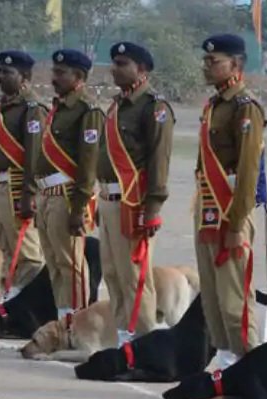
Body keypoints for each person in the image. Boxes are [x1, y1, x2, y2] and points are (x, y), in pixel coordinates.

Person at [195, 34, 266, 369]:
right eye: (206, 61)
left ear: (235, 64)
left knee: (235, 294)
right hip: (208, 206)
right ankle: (224, 355)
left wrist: (237, 223)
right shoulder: (215, 105)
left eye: (214, 61)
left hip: (232, 207)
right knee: (212, 292)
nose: (207, 67)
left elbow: (249, 169)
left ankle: (247, 360)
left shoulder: (245, 107)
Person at [98, 42, 175, 347]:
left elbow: (159, 160)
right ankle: (123, 336)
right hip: (108, 199)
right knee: (112, 273)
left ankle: (143, 342)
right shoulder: (118, 105)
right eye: (113, 62)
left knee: (134, 278)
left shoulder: (153, 108)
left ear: (141, 69)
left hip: (133, 203)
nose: (114, 69)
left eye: (121, 63)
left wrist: (153, 207)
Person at [35, 49, 103, 320]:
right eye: (54, 71)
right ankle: (62, 317)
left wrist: (79, 206)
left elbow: (88, 163)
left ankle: (78, 321)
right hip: (46, 193)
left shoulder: (87, 111)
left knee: (70, 262)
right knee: (53, 263)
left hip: (67, 195)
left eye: (61, 73)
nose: (54, 77)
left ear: (78, 77)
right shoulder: (59, 108)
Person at [0, 50, 45, 298]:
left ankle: (26, 299)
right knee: (5, 249)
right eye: (0, 71)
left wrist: (29, 192)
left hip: (15, 186)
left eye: (8, 72)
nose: (1, 77)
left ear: (25, 76)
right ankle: (7, 296)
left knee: (27, 252)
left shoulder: (32, 109)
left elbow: (33, 155)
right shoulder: (5, 106)